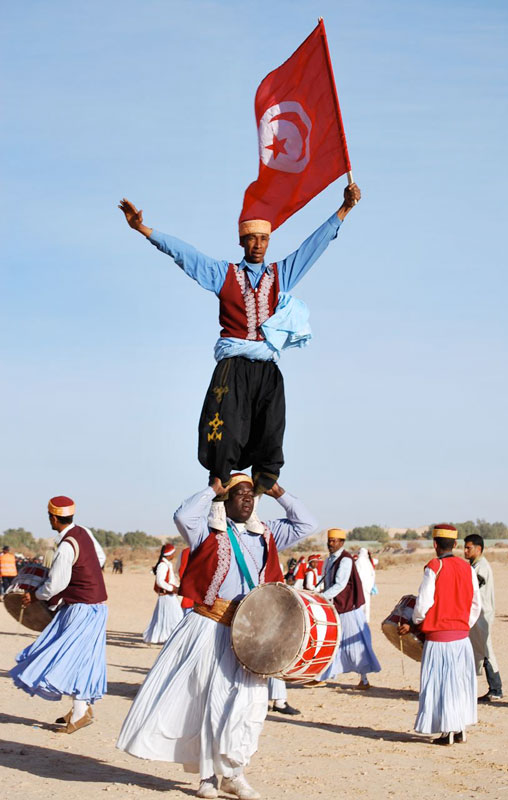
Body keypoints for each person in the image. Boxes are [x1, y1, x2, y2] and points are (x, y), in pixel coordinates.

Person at [118, 184, 360, 493]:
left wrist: (344, 209)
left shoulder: (281, 274)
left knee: (272, 424)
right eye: (252, 239)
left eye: (263, 239)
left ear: (268, 242)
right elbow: (184, 254)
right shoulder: (223, 274)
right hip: (233, 364)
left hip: (266, 366)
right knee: (225, 423)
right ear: (241, 242)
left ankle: (263, 482)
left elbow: (313, 246)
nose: (258, 245)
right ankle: (219, 479)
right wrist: (143, 229)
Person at [117, 473, 317, 800]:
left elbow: (307, 524)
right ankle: (209, 777)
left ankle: (235, 773)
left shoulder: (266, 532)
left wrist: (277, 490)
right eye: (239, 493)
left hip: (252, 635)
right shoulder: (207, 532)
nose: (248, 499)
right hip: (210, 627)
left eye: (252, 493)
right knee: (211, 704)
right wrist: (213, 488)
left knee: (249, 705)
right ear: (226, 498)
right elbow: (183, 515)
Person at [10, 496, 108, 733]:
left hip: (81, 608)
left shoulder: (66, 547)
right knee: (83, 658)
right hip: (96, 605)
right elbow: (101, 558)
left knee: (65, 657)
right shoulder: (83, 532)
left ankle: (81, 711)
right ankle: (81, 709)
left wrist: (34, 595)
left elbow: (54, 586)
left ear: (53, 517)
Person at [399, 524, 481, 745]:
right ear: (455, 544)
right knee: (459, 684)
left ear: (435, 544)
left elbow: (423, 603)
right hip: (462, 638)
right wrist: (463, 625)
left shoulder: (434, 567)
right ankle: (459, 729)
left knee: (441, 684)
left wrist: (416, 622)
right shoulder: (468, 569)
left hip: (439, 639)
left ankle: (447, 732)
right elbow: (476, 604)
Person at [318, 529, 380, 689]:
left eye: (334, 541)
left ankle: (364, 680)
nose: (330, 544)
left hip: (348, 609)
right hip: (335, 607)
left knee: (356, 645)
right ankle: (321, 676)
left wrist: (322, 597)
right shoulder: (329, 560)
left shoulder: (345, 560)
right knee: (330, 643)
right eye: (329, 540)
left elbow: (340, 584)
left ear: (341, 542)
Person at [464, 534, 503, 702]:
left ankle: (496, 689)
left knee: (486, 651)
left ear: (478, 549)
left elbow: (470, 587)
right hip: (475, 614)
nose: (465, 551)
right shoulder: (474, 566)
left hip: (482, 614)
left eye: (468, 548)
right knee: (478, 650)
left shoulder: (482, 567)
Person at [143, 543, 183, 644]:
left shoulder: (167, 564)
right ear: (169, 554)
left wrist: (176, 588)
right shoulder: (163, 565)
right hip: (166, 595)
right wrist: (172, 588)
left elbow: (170, 579)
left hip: (170, 595)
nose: (174, 555)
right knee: (176, 616)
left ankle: (168, 637)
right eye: (173, 553)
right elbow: (160, 581)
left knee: (168, 617)